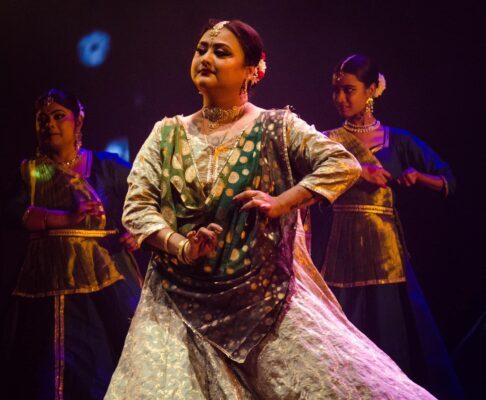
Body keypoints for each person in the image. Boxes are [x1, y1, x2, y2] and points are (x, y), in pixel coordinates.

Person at [105, 20, 435, 399]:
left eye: (221, 52)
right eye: (201, 50)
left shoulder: (277, 126)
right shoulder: (166, 133)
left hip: (264, 298)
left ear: (252, 71)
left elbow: (342, 164)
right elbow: (137, 208)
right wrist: (182, 245)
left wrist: (282, 202)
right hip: (174, 304)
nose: (206, 58)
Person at [313, 54, 463, 399]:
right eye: (335, 90)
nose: (340, 99)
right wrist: (353, 175)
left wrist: (419, 177)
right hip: (338, 253)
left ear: (371, 91)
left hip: (386, 256)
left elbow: (449, 180)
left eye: (349, 90)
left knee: (391, 337)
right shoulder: (324, 140)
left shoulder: (399, 140)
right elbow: (308, 187)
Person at [2, 89, 142, 400]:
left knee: (106, 361)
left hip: (106, 283)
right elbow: (12, 213)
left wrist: (139, 231)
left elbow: (147, 201)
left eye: (57, 116)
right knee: (43, 367)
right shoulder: (30, 171)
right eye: (42, 119)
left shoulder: (108, 166)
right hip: (43, 283)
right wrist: (65, 218)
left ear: (78, 120)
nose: (49, 124)